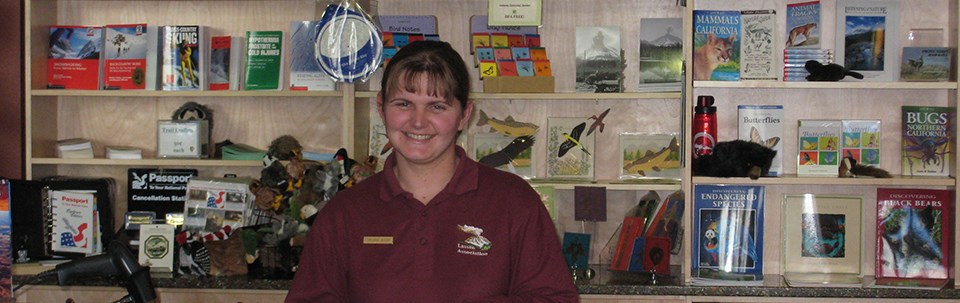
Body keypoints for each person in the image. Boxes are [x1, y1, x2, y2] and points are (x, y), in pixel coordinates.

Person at [286, 40, 578, 302]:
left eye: (437, 106)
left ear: (465, 115)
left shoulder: (514, 201)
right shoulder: (344, 212)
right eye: (403, 104)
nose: (418, 122)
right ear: (381, 108)